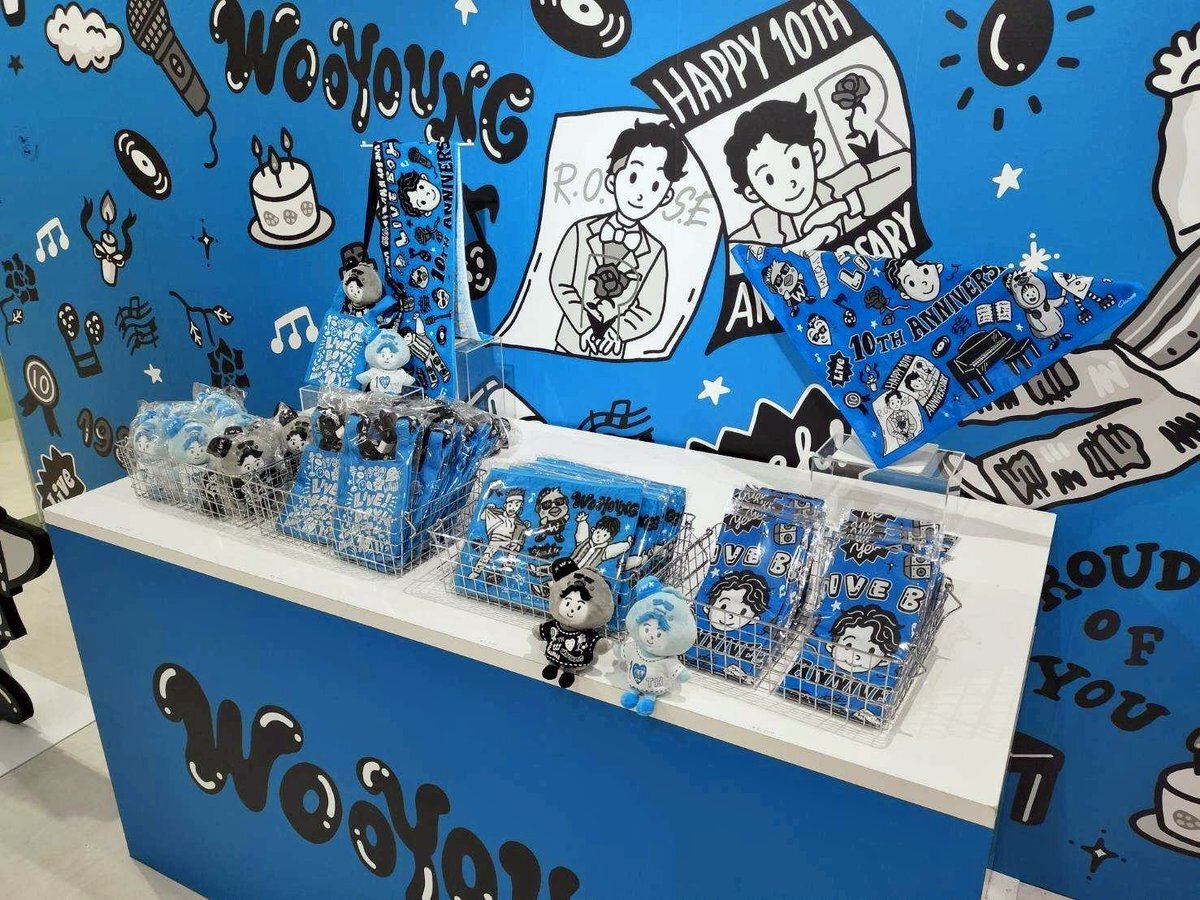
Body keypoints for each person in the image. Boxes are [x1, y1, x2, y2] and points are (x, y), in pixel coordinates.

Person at [550, 120, 687, 358]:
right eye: (633, 177)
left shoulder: (655, 253)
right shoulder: (581, 231)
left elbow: (649, 310)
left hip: (612, 352)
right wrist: (584, 325)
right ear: (612, 180)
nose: (640, 194)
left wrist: (616, 332)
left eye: (655, 185)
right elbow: (560, 281)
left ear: (666, 196)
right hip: (569, 343)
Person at [724, 95, 913, 250]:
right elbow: (728, 258)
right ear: (752, 192)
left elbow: (906, 164)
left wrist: (846, 205)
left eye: (795, 163)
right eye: (769, 179)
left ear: (815, 153)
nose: (791, 182)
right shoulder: (764, 225)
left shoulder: (843, 185)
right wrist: (802, 245)